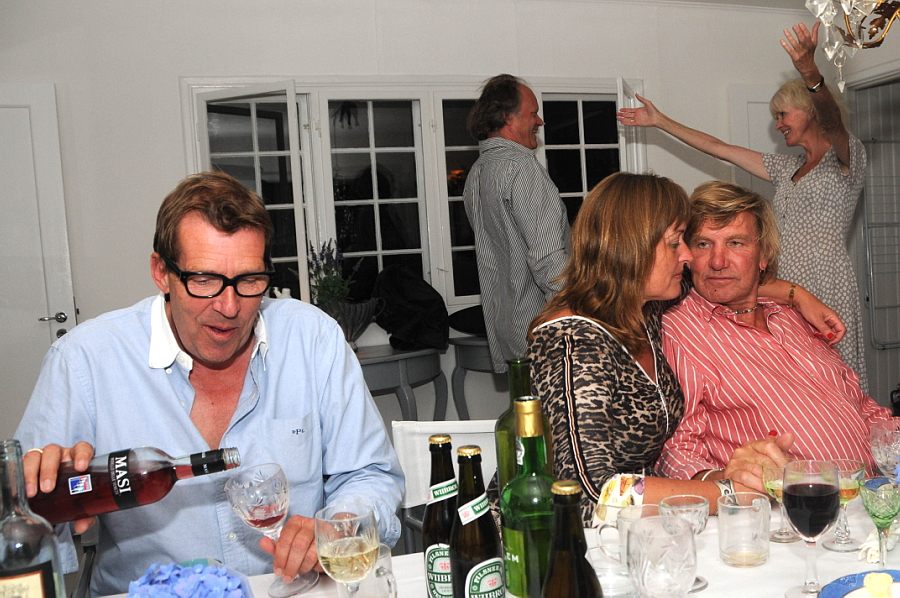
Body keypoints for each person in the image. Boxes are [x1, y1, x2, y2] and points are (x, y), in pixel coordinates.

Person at [14, 172, 404, 595]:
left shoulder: (314, 339)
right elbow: (20, 534)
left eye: (249, 280)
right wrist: (38, 506)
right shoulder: (84, 361)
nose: (229, 306)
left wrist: (340, 526)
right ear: (161, 272)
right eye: (204, 280)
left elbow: (372, 474)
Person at [525, 172, 838, 525]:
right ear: (633, 249)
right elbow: (590, 493)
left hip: (638, 527)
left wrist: (797, 295)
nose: (688, 256)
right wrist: (728, 492)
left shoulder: (643, 308)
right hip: (553, 539)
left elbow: (727, 280)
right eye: (675, 243)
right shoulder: (572, 342)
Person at [617, 22, 868, 389]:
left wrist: (809, 72)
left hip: (827, 280)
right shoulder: (786, 168)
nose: (778, 125)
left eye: (783, 115)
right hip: (779, 282)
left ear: (809, 110)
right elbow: (718, 148)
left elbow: (833, 122)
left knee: (834, 377)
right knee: (790, 375)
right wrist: (661, 122)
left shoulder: (847, 160)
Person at [657, 180, 891, 482]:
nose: (717, 261)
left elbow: (861, 406)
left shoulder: (791, 316)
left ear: (763, 256)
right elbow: (676, 451)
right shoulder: (680, 332)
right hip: (784, 504)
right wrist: (726, 483)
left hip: (870, 492)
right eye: (704, 244)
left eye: (736, 243)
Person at [464, 74, 570, 373]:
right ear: (506, 116)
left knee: (526, 405)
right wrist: (576, 315)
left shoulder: (478, 172)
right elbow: (549, 260)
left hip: (509, 327)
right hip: (544, 328)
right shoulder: (522, 168)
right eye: (533, 113)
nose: (540, 121)